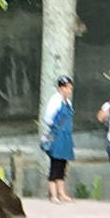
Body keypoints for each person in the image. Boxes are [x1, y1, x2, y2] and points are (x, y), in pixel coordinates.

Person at [42, 75, 75, 204]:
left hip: (66, 137)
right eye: (67, 88)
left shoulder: (68, 102)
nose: (69, 91)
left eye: (70, 88)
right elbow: (48, 118)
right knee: (55, 164)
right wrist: (56, 128)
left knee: (62, 164)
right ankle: (53, 194)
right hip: (57, 137)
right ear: (61, 88)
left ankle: (62, 193)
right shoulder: (55, 100)